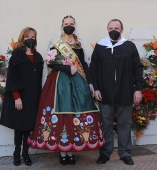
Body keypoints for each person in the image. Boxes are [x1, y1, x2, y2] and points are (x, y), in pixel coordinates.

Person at [28, 15, 105, 165]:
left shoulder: (78, 43)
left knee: (76, 115)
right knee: (61, 115)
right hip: (59, 81)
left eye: (71, 24)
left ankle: (71, 150)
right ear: (61, 25)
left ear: (75, 25)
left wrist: (90, 82)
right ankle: (63, 152)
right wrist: (67, 68)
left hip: (78, 82)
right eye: (66, 24)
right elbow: (50, 63)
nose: (69, 26)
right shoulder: (55, 42)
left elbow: (83, 63)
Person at [90, 19, 143, 165]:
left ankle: (125, 152)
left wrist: (138, 89)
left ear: (122, 29)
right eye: (111, 28)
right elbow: (93, 69)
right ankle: (105, 153)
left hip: (125, 91)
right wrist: (96, 88)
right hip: (105, 92)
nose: (114, 30)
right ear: (107, 29)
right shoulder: (101, 47)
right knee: (105, 122)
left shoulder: (129, 46)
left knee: (124, 123)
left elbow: (137, 69)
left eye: (117, 28)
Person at [0, 27, 43, 166]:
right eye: (27, 36)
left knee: (29, 126)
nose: (30, 38)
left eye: (33, 36)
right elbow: (12, 77)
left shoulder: (38, 56)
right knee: (19, 126)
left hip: (33, 97)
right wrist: (16, 97)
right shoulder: (17, 55)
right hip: (20, 96)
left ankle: (26, 153)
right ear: (22, 38)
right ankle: (17, 152)